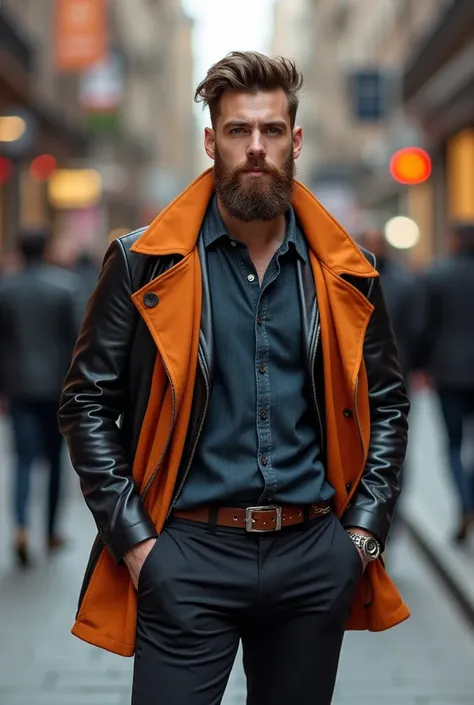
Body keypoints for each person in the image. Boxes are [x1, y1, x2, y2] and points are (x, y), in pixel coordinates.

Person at [59, 52, 409, 705]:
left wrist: (359, 535)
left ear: (295, 140)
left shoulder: (348, 268)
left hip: (312, 553)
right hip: (187, 553)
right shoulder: (141, 262)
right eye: (237, 131)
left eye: (272, 131)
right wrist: (138, 545)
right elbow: (86, 404)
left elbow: (388, 402)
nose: (256, 148)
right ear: (210, 140)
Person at [0, 229, 80, 566]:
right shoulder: (65, 288)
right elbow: (77, 344)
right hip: (57, 389)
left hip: (18, 388)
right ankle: (50, 531)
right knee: (54, 462)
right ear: (46, 249)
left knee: (23, 460)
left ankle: (20, 528)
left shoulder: (6, 290)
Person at [416, 222, 474, 542]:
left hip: (449, 372)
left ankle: (465, 504)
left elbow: (424, 326)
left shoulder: (438, 274)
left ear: (454, 240)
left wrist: (422, 366)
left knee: (453, 445)